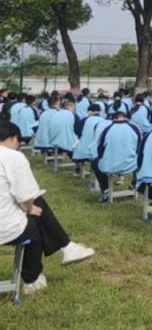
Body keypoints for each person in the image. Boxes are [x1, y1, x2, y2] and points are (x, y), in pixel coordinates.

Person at [0, 122, 95, 295]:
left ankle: (68, 247)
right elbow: (25, 195)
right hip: (5, 228)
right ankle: (33, 278)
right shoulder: (13, 157)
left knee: (36, 206)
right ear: (13, 138)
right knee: (34, 226)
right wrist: (29, 209)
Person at [92, 105, 142, 200]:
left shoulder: (107, 129)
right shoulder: (135, 128)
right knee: (141, 161)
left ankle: (105, 190)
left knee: (95, 162)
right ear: (126, 118)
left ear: (112, 119)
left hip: (110, 165)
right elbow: (139, 147)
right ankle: (135, 185)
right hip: (131, 164)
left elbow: (100, 149)